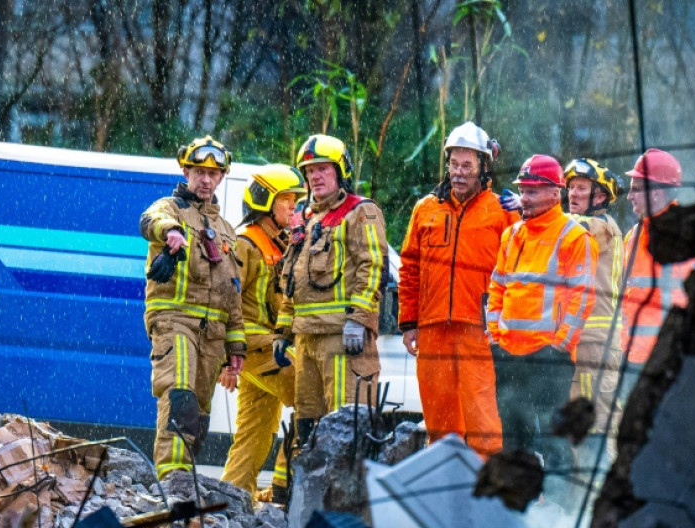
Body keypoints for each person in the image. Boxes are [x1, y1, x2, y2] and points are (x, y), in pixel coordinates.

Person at [397, 121, 518, 457]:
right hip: (433, 329)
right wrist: (408, 323)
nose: (460, 172)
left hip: (479, 332)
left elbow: (518, 271)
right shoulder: (425, 210)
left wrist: (507, 326)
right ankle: (446, 494)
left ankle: (486, 493)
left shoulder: (502, 212)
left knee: (483, 422)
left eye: (468, 165)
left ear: (483, 167)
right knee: (440, 422)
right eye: (454, 164)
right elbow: (409, 268)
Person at [486, 154, 597, 501]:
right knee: (514, 443)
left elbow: (583, 296)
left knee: (554, 443)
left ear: (555, 193)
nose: (525, 198)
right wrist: (496, 335)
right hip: (509, 354)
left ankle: (562, 515)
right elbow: (497, 287)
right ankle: (517, 514)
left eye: (533, 191)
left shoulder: (574, 236)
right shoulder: (512, 234)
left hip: (549, 358)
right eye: (523, 190)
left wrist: (560, 344)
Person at [140, 135, 246, 480]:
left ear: (221, 178)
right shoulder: (171, 210)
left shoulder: (226, 230)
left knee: (199, 414)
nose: (205, 179)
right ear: (185, 171)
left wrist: (237, 346)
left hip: (213, 334)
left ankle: (185, 478)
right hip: (175, 322)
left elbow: (233, 294)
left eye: (213, 174)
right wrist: (170, 232)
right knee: (180, 397)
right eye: (198, 171)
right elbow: (149, 220)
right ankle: (172, 482)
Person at [273, 134, 388, 447]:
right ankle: (308, 494)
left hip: (344, 340)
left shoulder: (360, 212)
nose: (315, 176)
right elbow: (291, 279)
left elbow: (373, 267)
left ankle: (344, 497)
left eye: (323, 168)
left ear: (341, 171)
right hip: (306, 340)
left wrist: (358, 320)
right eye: (310, 171)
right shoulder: (307, 220)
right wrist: (284, 332)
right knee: (307, 428)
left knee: (345, 429)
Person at [220, 164, 306, 503]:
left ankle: (228, 500)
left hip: (271, 345)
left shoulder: (283, 243)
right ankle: (287, 489)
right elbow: (226, 303)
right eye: (286, 199)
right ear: (264, 201)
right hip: (256, 344)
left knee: (255, 431)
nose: (294, 207)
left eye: (296, 200)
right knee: (311, 396)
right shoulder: (245, 245)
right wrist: (225, 359)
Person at [563, 158, 624, 465]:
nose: (572, 193)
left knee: (599, 424)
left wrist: (528, 205)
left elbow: (560, 228)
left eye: (582, 188)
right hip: (589, 342)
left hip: (597, 344)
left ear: (600, 197)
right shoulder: (593, 226)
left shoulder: (600, 227)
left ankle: (610, 491)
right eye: (570, 187)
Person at [621, 148, 695, 387]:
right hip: (632, 363)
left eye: (635, 189)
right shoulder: (633, 237)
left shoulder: (692, 237)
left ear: (655, 192)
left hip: (670, 365)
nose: (628, 196)